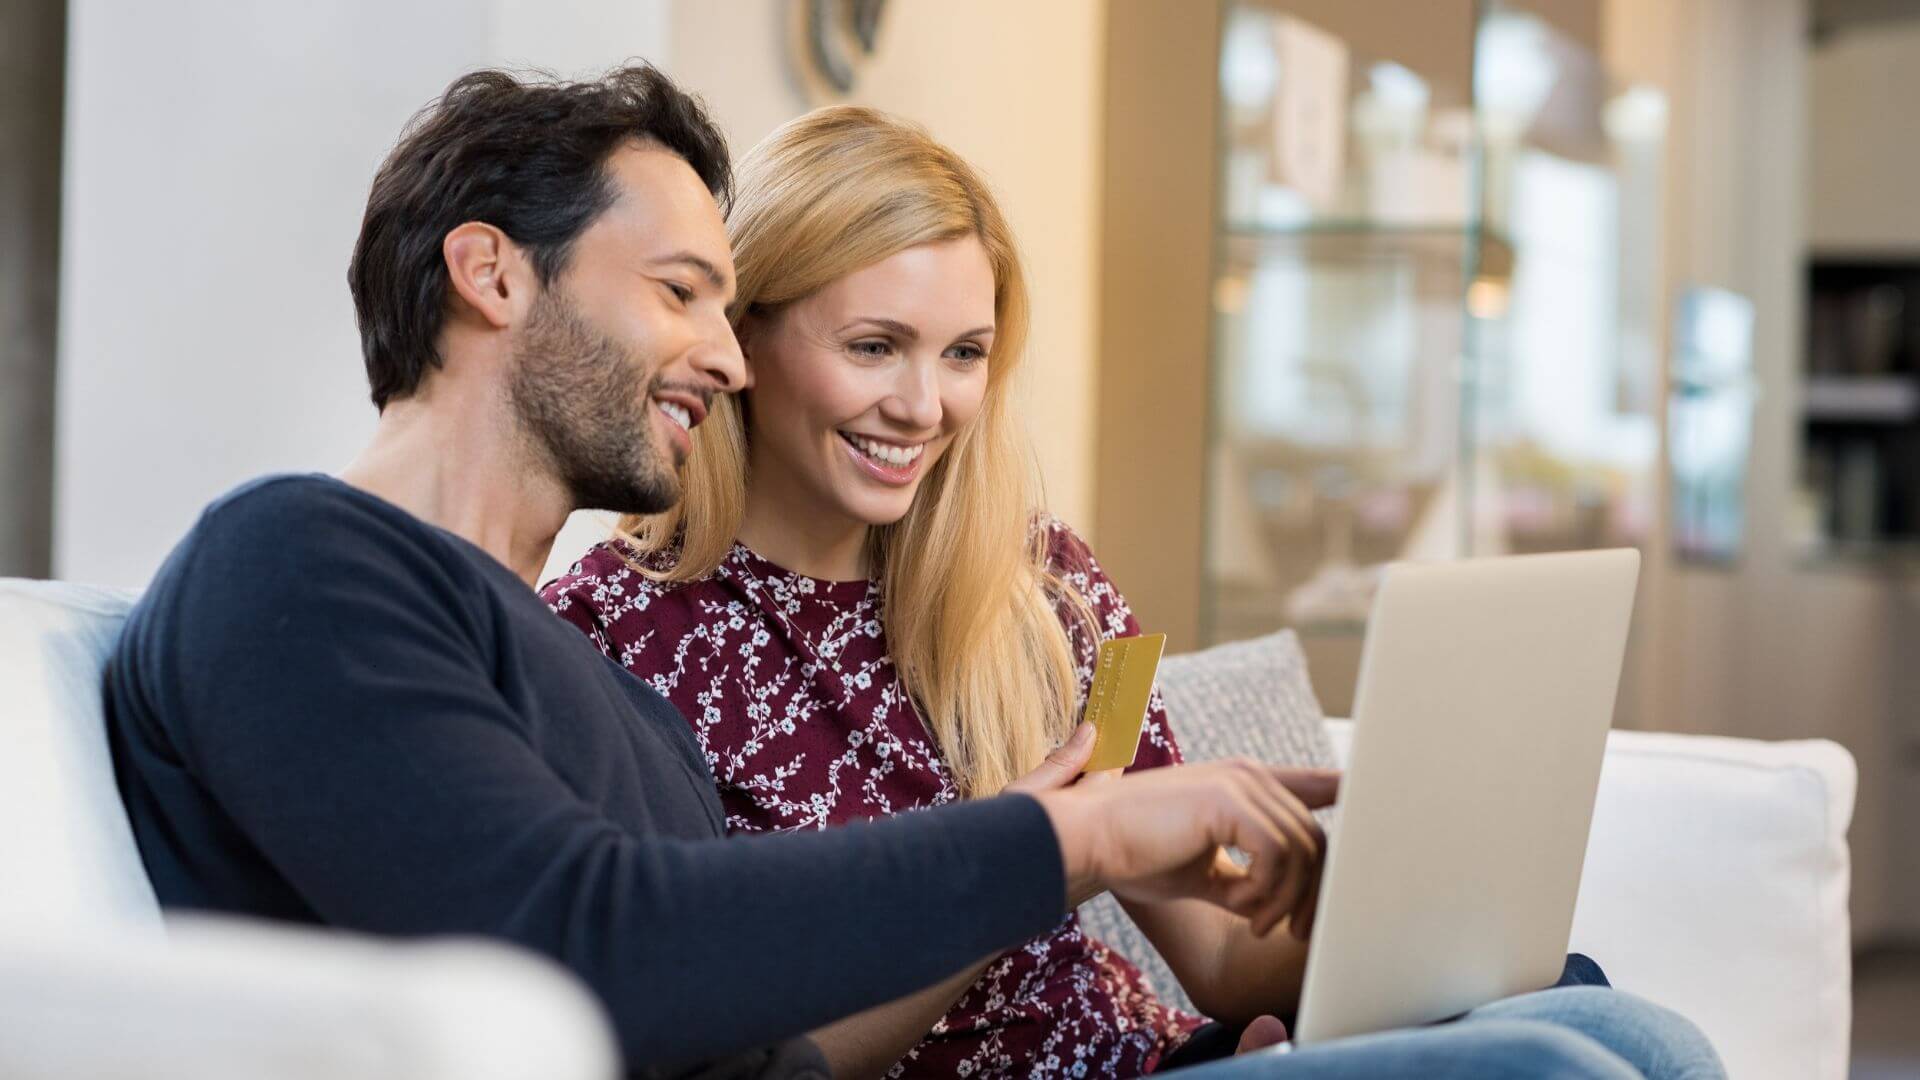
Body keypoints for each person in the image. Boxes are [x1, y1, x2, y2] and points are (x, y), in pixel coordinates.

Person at [103, 65, 1719, 1080]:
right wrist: (1058, 836)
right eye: (685, 295)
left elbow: (753, 1031)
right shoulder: (300, 563)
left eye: (730, 310)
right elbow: (591, 948)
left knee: (1613, 1022)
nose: (724, 362)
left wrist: (1283, 907)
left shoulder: (568, 678)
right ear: (491, 274)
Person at [541, 104, 1728, 1080]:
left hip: (1166, 1059)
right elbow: (745, 1056)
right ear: (747, 337)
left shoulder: (1040, 584)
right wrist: (1035, 859)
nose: (924, 407)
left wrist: (1380, 921)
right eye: (874, 346)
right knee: (1562, 1073)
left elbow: (1216, 958)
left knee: (1633, 1035)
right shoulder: (614, 636)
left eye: (964, 354)